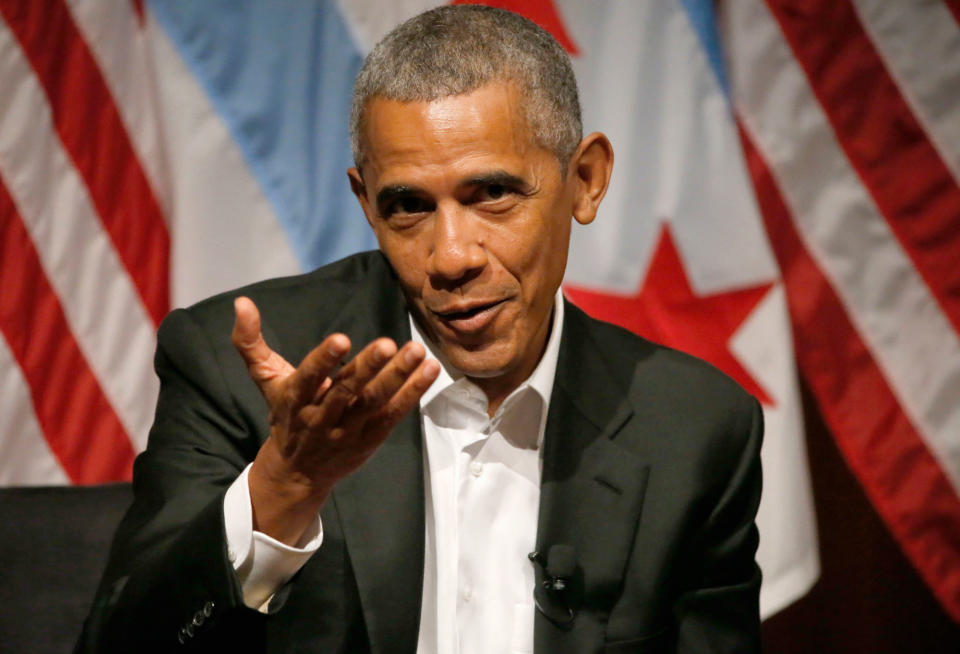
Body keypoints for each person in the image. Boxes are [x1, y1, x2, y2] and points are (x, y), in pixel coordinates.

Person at [79, 6, 762, 653]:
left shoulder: (695, 429)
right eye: (407, 206)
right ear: (367, 206)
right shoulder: (235, 371)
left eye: (492, 194)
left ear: (584, 179)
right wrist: (284, 487)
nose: (452, 257)